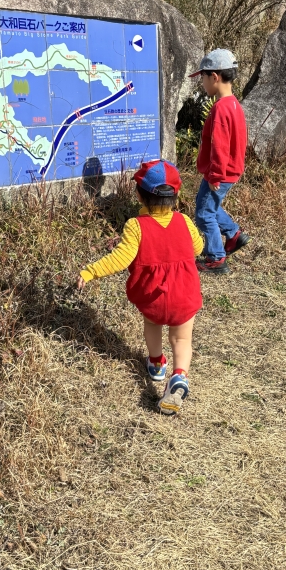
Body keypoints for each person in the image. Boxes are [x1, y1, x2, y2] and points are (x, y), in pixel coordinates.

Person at [76, 159, 204, 415]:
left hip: (153, 297)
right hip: (184, 295)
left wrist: (91, 271)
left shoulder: (136, 226)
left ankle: (156, 364)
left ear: (138, 195)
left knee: (152, 325)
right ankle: (179, 375)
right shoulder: (184, 221)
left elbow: (120, 259)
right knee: (181, 339)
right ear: (176, 196)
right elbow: (198, 248)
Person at [189, 48, 249, 275]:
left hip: (220, 173)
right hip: (230, 170)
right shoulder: (234, 104)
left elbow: (220, 146)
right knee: (208, 206)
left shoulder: (221, 108)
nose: (202, 83)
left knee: (204, 213)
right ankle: (233, 234)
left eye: (203, 77)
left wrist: (215, 175)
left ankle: (216, 258)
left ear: (214, 76)